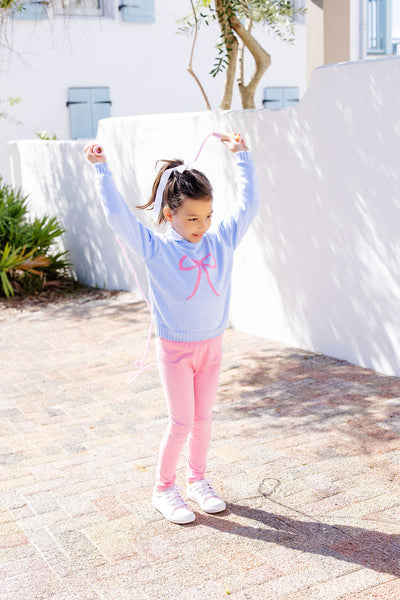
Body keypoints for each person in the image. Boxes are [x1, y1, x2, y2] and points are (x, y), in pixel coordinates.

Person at [84, 132, 259, 525]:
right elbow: (118, 216)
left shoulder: (222, 242)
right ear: (169, 214)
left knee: (203, 420)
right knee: (181, 421)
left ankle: (197, 481)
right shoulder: (156, 248)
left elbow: (250, 206)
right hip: (176, 351)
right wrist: (101, 170)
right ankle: (163, 489)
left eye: (207, 216)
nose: (202, 225)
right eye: (192, 217)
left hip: (212, 348)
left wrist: (243, 157)